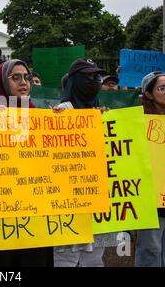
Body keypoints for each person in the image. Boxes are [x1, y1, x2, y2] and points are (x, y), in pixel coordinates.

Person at [0, 59, 53, 267]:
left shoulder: (39, 116)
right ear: (2, 82)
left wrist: (60, 123)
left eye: (26, 77)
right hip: (0, 213)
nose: (23, 82)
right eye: (15, 77)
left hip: (35, 211)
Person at [53, 58, 116, 267]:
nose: (95, 80)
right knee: (65, 258)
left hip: (97, 199)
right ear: (75, 81)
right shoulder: (63, 111)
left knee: (95, 258)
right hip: (67, 200)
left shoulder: (102, 112)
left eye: (97, 76)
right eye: (89, 76)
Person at [135, 71, 165, 267]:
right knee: (151, 248)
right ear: (148, 94)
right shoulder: (137, 122)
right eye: (161, 88)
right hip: (150, 198)